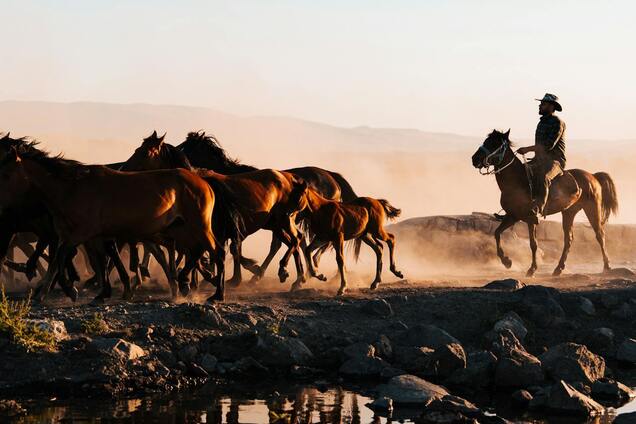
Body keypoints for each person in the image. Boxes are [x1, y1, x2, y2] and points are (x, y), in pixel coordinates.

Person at [516, 93, 566, 224]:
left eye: (543, 104)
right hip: (539, 160)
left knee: (544, 177)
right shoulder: (541, 123)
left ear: (551, 106)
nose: (540, 105)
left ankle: (538, 209)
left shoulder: (557, 122)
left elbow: (548, 145)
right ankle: (515, 208)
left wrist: (527, 149)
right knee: (520, 172)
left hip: (555, 161)